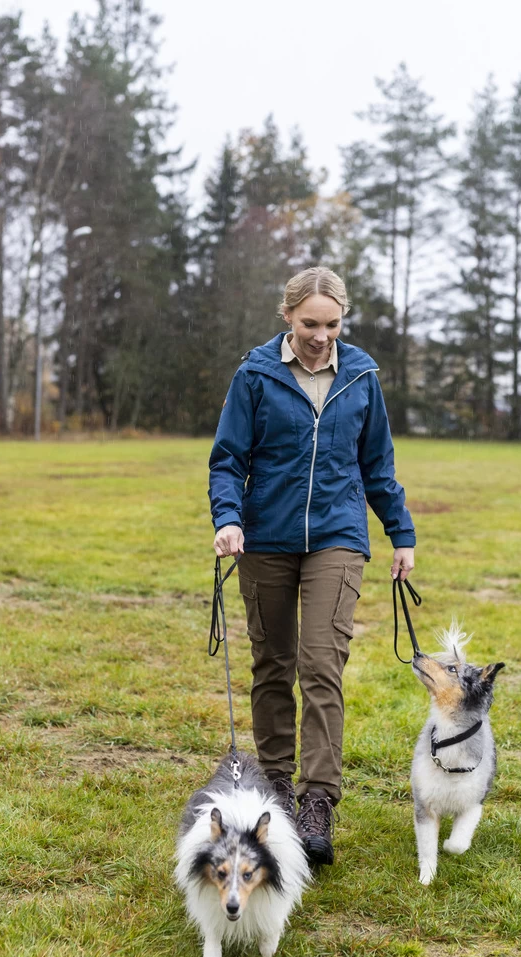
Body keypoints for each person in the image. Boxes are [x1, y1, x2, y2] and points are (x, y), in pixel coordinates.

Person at [209, 267, 415, 865]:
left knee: (321, 662)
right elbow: (228, 459)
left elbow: (377, 464)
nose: (321, 337)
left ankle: (317, 800)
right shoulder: (255, 375)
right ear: (288, 318)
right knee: (272, 664)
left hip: (338, 536)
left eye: (331, 325)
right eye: (309, 325)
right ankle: (272, 791)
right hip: (266, 537)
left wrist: (400, 531)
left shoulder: (361, 377)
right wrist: (228, 517)